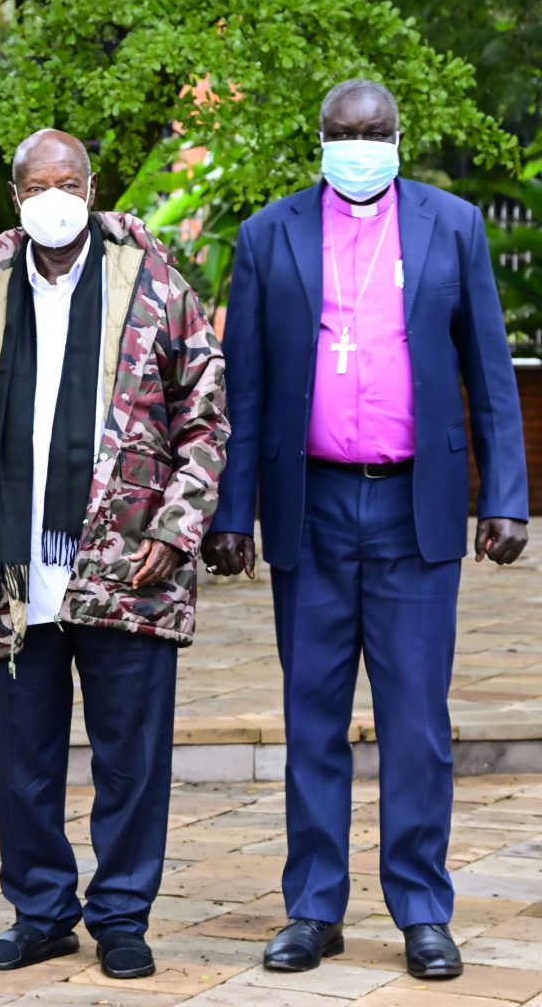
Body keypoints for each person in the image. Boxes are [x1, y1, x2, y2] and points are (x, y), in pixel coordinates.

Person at [201, 79, 529, 979]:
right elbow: (249, 385)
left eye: (375, 130)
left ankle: (422, 906)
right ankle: (313, 907)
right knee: (311, 716)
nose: (360, 144)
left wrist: (504, 494)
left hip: (413, 507)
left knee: (417, 718)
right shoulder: (270, 234)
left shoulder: (452, 226)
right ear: (321, 139)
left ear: (397, 135)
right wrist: (233, 515)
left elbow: (490, 370)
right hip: (308, 504)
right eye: (344, 132)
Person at [0, 128, 228, 979]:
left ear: (91, 188)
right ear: (18, 198)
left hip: (128, 566)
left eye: (69, 181)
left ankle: (122, 915)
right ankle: (42, 910)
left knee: (131, 757)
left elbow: (205, 414)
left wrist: (174, 526)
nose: (56, 197)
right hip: (11, 573)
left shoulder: (152, 282)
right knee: (24, 762)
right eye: (37, 185)